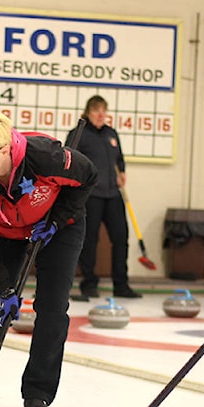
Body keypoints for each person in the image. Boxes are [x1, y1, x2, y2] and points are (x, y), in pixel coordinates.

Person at [0, 109, 97, 407]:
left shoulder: (46, 157)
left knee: (53, 308)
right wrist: (4, 287)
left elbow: (88, 176)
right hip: (1, 234)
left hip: (56, 228)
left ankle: (37, 395)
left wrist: (58, 220)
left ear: (4, 149)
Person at [65, 95, 141, 300]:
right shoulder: (78, 133)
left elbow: (119, 159)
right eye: (96, 110)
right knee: (89, 240)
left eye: (103, 111)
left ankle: (121, 285)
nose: (100, 115)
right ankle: (89, 284)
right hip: (91, 195)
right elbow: (69, 160)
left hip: (113, 194)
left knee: (120, 238)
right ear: (88, 112)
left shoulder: (111, 134)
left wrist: (122, 172)